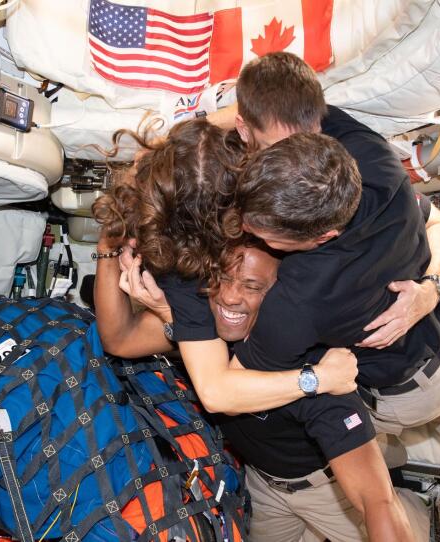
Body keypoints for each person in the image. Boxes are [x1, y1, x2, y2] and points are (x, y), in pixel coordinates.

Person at [92, 119, 416, 541]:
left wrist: (317, 380)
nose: (228, 298)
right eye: (221, 280)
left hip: (321, 486)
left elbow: (377, 502)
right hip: (260, 485)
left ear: (279, 296)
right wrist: (110, 241)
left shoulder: (316, 365)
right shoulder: (206, 327)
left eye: (251, 287)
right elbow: (118, 338)